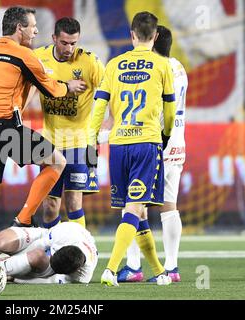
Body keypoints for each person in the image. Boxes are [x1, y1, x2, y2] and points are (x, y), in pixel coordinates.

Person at [0, 6, 87, 283]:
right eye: (32, 26)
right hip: (5, 128)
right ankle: (23, 218)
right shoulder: (25, 54)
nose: (36, 31)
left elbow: (12, 81)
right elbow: (52, 89)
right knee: (57, 161)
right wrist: (67, 86)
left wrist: (31, 80)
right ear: (19, 28)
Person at [89, 12, 176, 286]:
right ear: (156, 36)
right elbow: (170, 112)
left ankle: (159, 271)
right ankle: (111, 270)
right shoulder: (163, 66)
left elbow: (100, 104)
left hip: (118, 145)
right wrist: (164, 135)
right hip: (145, 144)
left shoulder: (114, 64)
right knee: (135, 208)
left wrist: (93, 135)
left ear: (132, 35)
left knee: (135, 212)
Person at [117, 26, 187, 283]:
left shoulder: (155, 69)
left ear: (153, 40)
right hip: (176, 144)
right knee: (169, 207)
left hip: (152, 142)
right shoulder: (178, 66)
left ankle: (134, 266)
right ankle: (172, 267)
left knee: (133, 204)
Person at [33, 17, 104, 229]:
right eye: (64, 43)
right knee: (50, 205)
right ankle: (52, 251)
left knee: (74, 203)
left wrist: (106, 121)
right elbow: (28, 86)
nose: (69, 48)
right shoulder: (39, 58)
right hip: (51, 143)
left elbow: (110, 89)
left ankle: (81, 252)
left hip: (79, 143)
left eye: (74, 43)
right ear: (54, 38)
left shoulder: (90, 62)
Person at [0, 221, 98, 284]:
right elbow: (40, 244)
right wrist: (7, 258)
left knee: (37, 256)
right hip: (43, 237)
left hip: (44, 263)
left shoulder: (81, 276)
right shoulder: (67, 231)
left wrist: (14, 278)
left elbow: (49, 281)